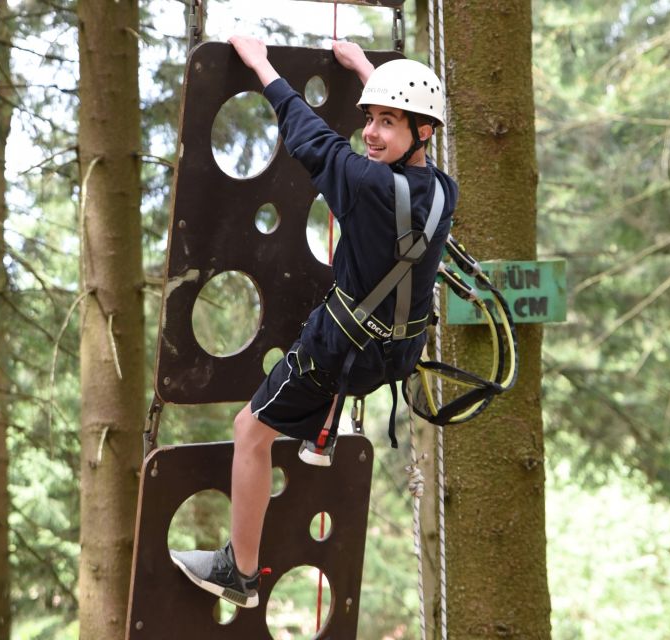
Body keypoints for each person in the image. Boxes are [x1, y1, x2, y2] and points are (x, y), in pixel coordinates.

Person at [170, 36, 458, 609]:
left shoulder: (366, 184)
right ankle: (319, 430)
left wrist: (260, 64)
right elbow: (407, 132)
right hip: (395, 355)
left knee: (249, 431)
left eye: (387, 123)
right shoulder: (444, 190)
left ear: (422, 132)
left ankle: (240, 572)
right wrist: (367, 71)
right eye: (369, 119)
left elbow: (306, 133)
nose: (370, 133)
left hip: (338, 352)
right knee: (335, 331)